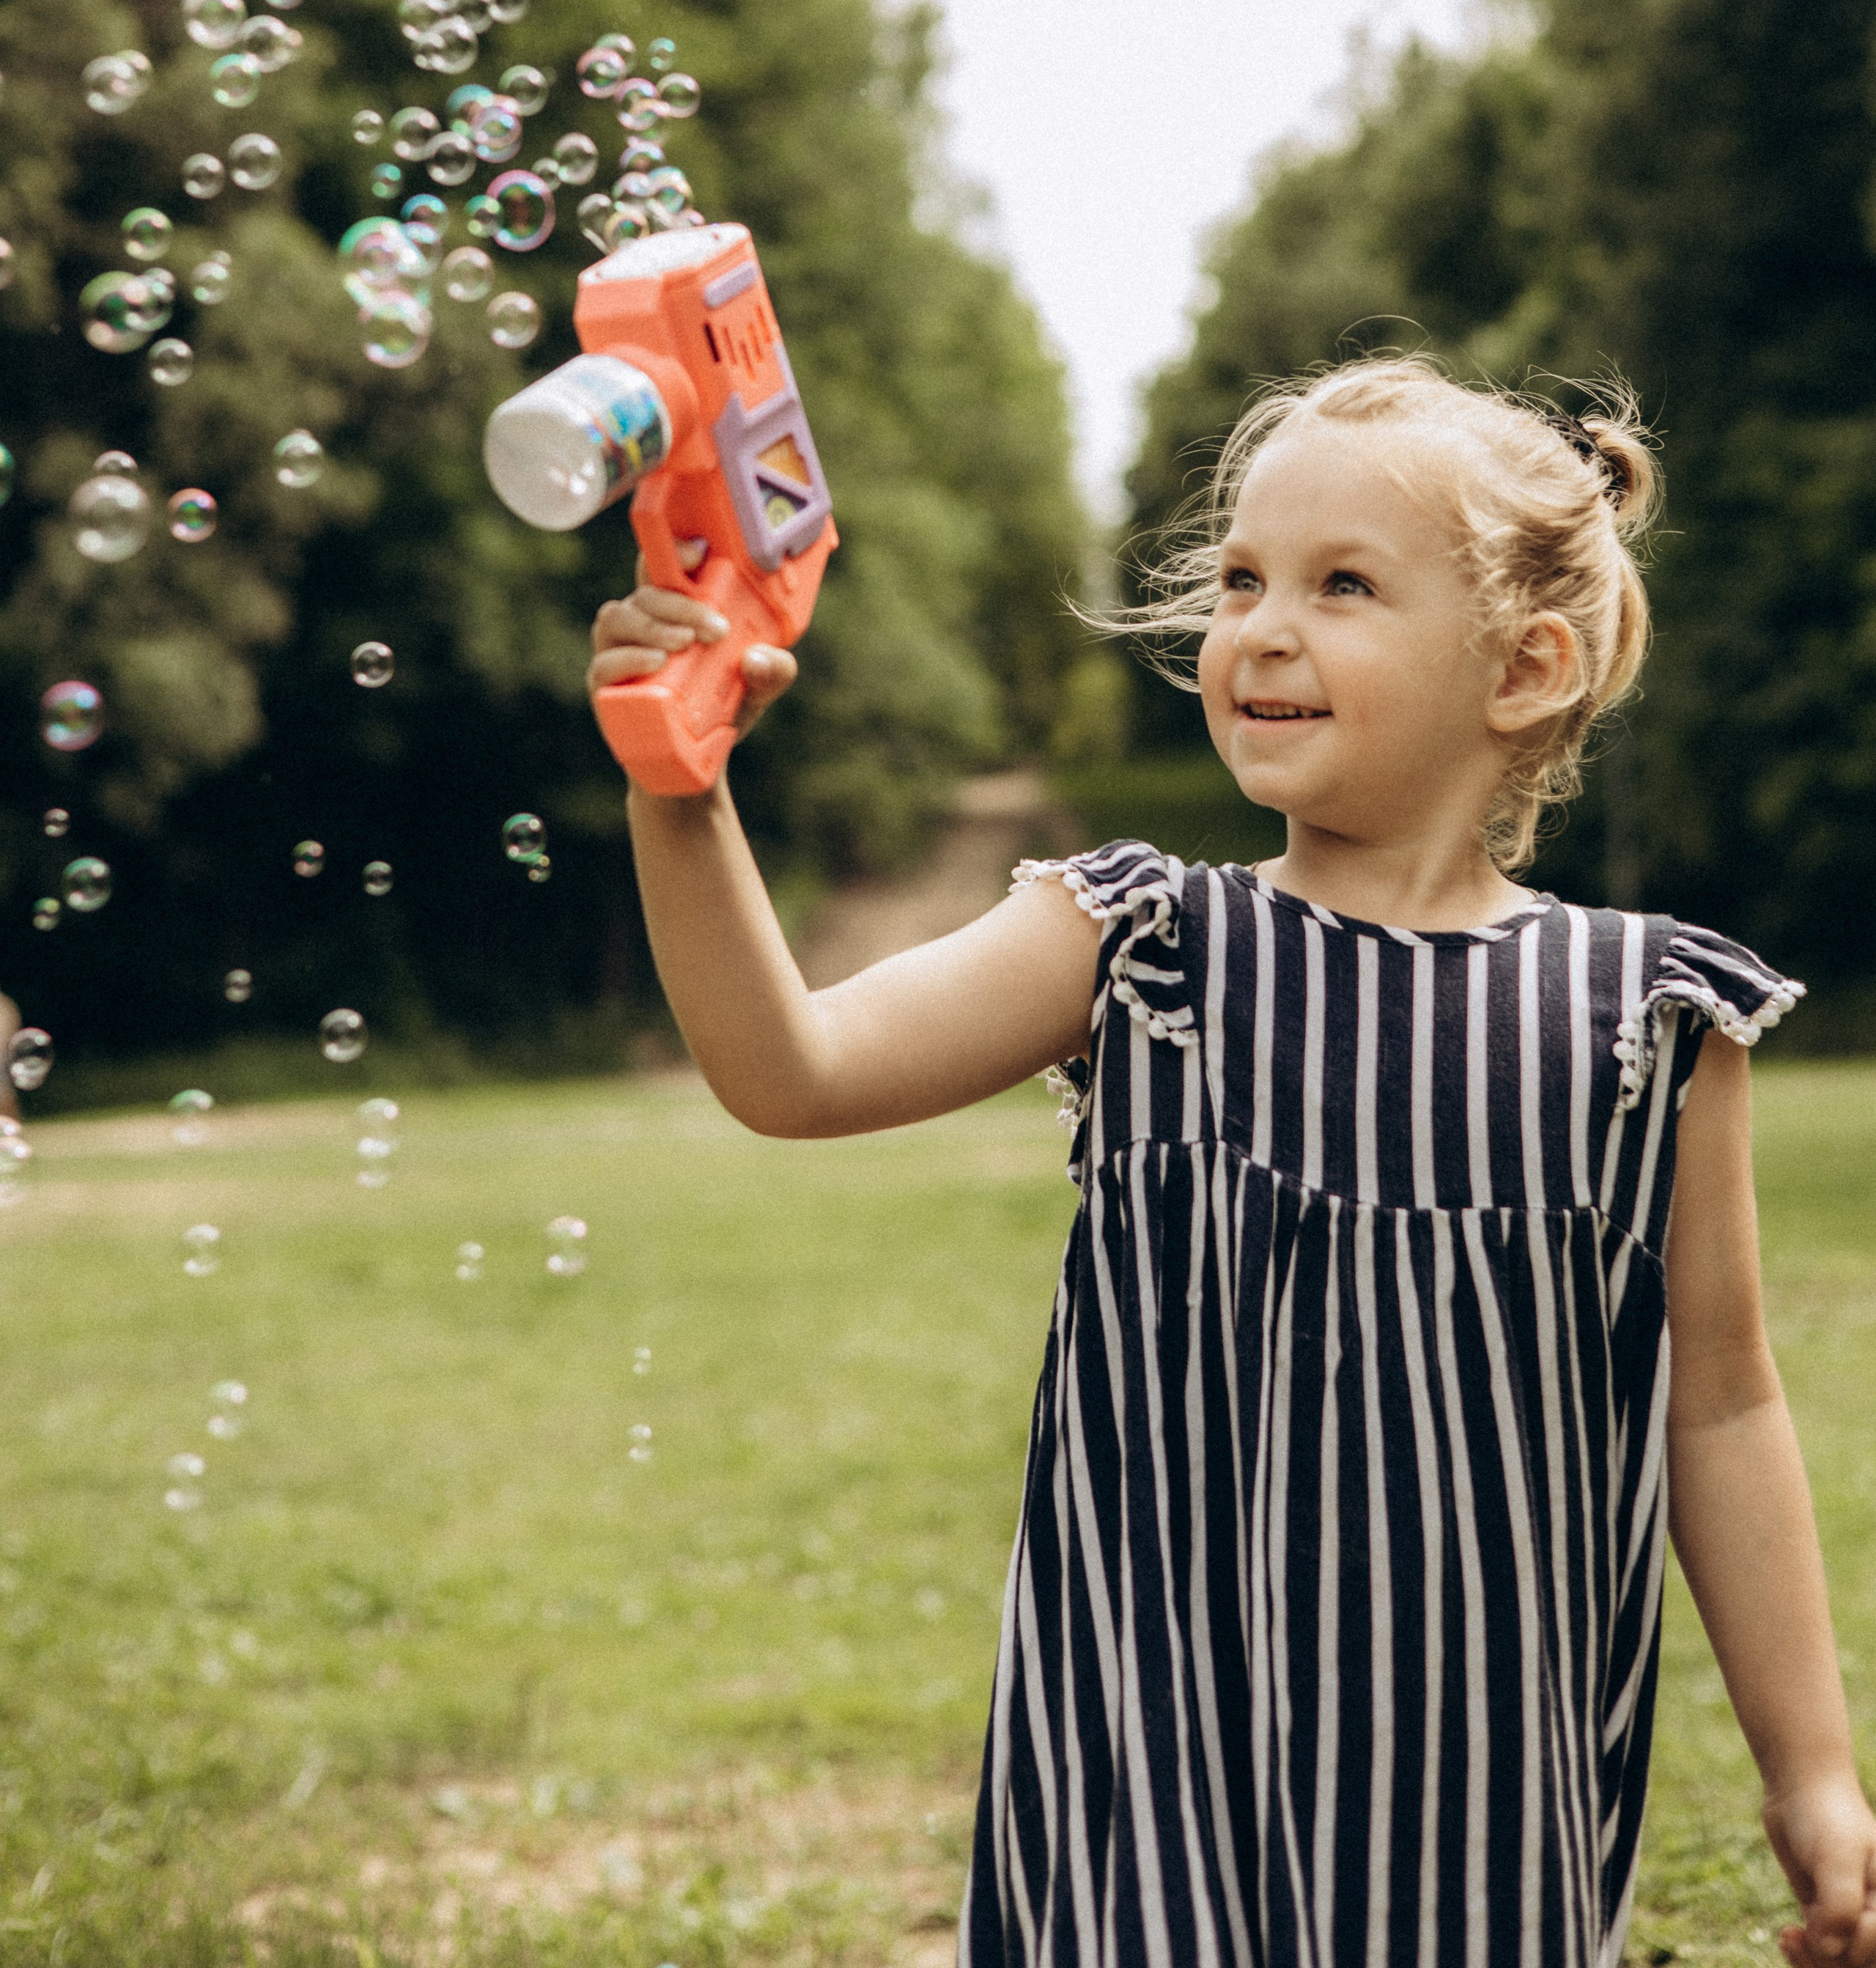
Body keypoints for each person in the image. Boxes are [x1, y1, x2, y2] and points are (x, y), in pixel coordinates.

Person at [588, 353, 1876, 1968]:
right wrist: (678, 786)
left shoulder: (1644, 1019)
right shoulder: (1139, 945)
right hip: (1142, 1810)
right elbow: (792, 1070)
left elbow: (1724, 1401)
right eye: (1243, 578)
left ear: (1524, 667)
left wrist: (1810, 1776)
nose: (1260, 626)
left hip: (1482, 1832)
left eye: (1341, 585)